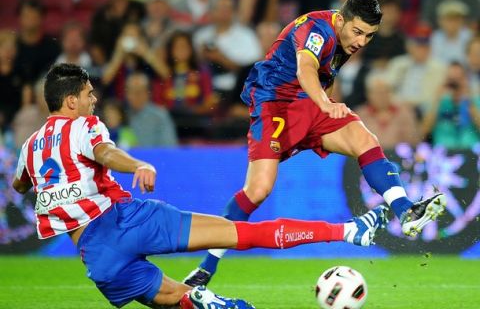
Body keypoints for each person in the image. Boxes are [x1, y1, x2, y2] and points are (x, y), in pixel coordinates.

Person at [11, 63, 387, 309]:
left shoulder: (29, 147)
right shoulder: (83, 125)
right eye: (90, 94)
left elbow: (19, 183)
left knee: (182, 299)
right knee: (243, 234)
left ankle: (217, 303)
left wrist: (52, 186)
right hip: (126, 221)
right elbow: (105, 153)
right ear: (71, 100)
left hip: (98, 259)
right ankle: (348, 231)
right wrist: (138, 163)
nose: (94, 100)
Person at [183, 0, 447, 287]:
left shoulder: (347, 39)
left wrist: (323, 105)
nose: (361, 41)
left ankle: (405, 210)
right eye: (358, 31)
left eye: (369, 35)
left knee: (365, 140)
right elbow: (305, 67)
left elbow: (324, 75)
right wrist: (325, 104)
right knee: (257, 190)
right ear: (341, 18)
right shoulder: (317, 29)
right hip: (276, 105)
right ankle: (205, 269)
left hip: (311, 104)